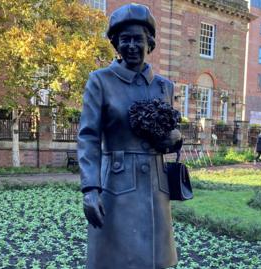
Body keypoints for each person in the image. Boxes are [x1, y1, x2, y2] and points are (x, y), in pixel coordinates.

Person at [77, 4, 180, 268]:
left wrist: (174, 138)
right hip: (117, 185)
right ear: (116, 43)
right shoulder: (100, 81)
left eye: (138, 39)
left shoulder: (164, 86)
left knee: (154, 259)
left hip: (155, 187)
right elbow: (88, 136)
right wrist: (90, 188)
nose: (132, 46)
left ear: (150, 42)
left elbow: (173, 128)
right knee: (116, 259)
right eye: (125, 40)